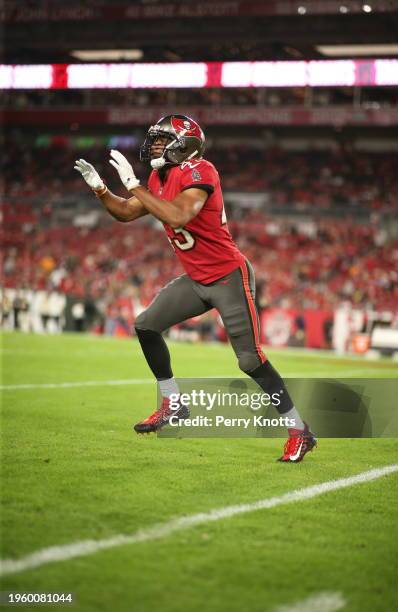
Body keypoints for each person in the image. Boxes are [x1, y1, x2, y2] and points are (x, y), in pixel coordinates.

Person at [74, 114, 316, 462]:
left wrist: (134, 185)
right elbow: (126, 212)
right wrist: (99, 188)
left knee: (250, 360)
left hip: (228, 277)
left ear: (185, 144)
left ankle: (299, 430)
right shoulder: (158, 178)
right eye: (154, 139)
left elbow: (177, 217)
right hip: (197, 278)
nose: (155, 145)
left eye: (162, 139)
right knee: (146, 324)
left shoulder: (201, 171)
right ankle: (173, 403)